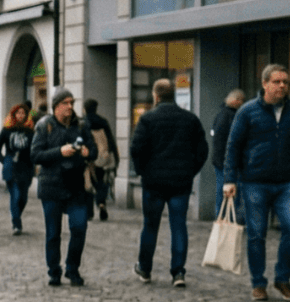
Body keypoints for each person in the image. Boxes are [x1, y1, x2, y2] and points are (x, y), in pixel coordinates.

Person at [224, 64, 290, 302]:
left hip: (287, 182)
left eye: (285, 82)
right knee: (256, 234)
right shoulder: (247, 111)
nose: (282, 86)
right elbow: (233, 146)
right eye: (277, 82)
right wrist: (229, 179)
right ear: (265, 84)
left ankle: (282, 279)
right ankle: (258, 282)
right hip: (255, 181)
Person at [129, 78, 210, 287]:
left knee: (150, 226)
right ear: (173, 95)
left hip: (153, 182)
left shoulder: (147, 119)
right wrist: (190, 171)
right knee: (178, 226)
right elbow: (202, 150)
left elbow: (136, 149)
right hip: (180, 183)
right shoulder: (190, 119)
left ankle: (145, 269)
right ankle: (178, 272)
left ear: (156, 96)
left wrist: (142, 172)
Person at [32, 89, 96, 286]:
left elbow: (94, 151)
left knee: (79, 228)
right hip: (51, 185)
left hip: (76, 185)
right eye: (65, 103)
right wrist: (60, 151)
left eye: (72, 102)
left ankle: (72, 268)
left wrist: (87, 152)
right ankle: (54, 271)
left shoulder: (81, 125)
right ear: (56, 106)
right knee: (53, 233)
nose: (70, 106)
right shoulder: (45, 126)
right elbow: (35, 155)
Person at [0, 103, 35, 235]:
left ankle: (16, 215)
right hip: (11, 166)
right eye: (18, 113)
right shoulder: (7, 130)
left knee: (23, 198)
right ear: (14, 114)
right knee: (15, 196)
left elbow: (35, 149)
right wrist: (4, 160)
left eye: (23, 113)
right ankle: (17, 223)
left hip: (26, 166)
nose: (21, 116)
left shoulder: (30, 132)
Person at [210, 88, 246, 216]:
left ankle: (220, 220)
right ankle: (228, 222)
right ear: (236, 101)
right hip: (227, 162)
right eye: (242, 101)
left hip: (219, 161)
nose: (243, 104)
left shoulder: (221, 114)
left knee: (222, 192)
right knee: (230, 193)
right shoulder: (232, 117)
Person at [84, 98, 117, 221]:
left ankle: (89, 212)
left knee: (89, 183)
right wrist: (114, 157)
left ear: (85, 109)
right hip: (103, 156)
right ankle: (101, 203)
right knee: (102, 182)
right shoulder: (103, 121)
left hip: (90, 158)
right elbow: (110, 139)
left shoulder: (84, 122)